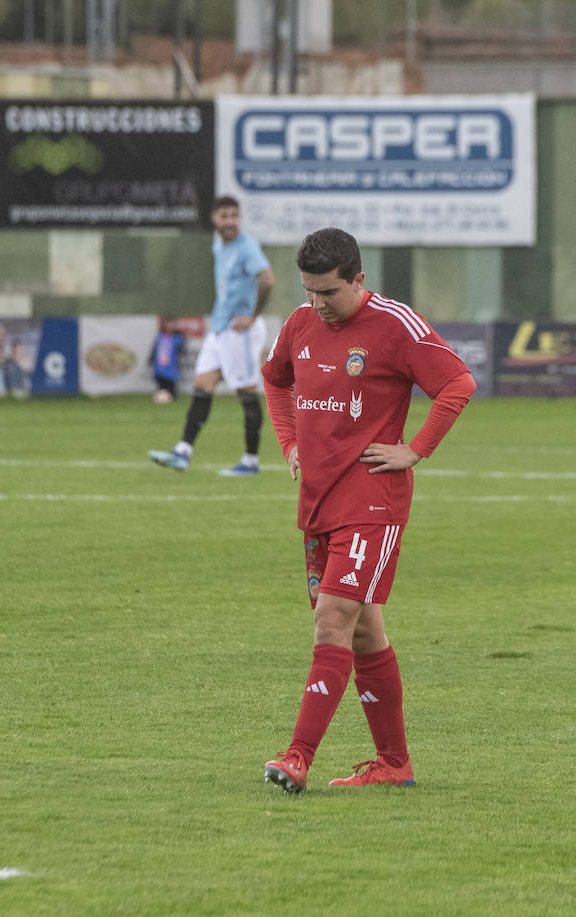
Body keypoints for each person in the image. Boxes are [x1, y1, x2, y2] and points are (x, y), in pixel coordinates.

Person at [259, 227, 476, 793]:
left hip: (372, 504)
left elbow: (457, 383)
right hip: (318, 504)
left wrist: (415, 449)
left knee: (331, 620)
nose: (317, 304)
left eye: (328, 292)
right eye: (308, 291)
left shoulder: (395, 325)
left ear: (359, 279)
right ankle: (393, 765)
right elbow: (274, 381)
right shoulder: (300, 324)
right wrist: (289, 445)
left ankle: (298, 756)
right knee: (362, 634)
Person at [149, 195, 275, 475]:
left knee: (246, 392)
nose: (230, 221)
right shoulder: (219, 245)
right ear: (214, 218)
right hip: (220, 328)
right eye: (224, 216)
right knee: (202, 385)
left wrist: (252, 316)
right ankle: (182, 452)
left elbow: (267, 279)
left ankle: (251, 461)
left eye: (234, 216)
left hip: (240, 330)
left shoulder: (247, 247)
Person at [149, 316, 185, 403]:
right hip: (160, 367)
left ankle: (170, 396)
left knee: (171, 385)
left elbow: (181, 351)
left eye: (173, 324)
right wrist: (151, 359)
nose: (171, 326)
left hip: (171, 366)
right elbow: (154, 349)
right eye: (169, 324)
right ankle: (162, 397)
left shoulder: (178, 337)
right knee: (161, 385)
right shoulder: (160, 337)